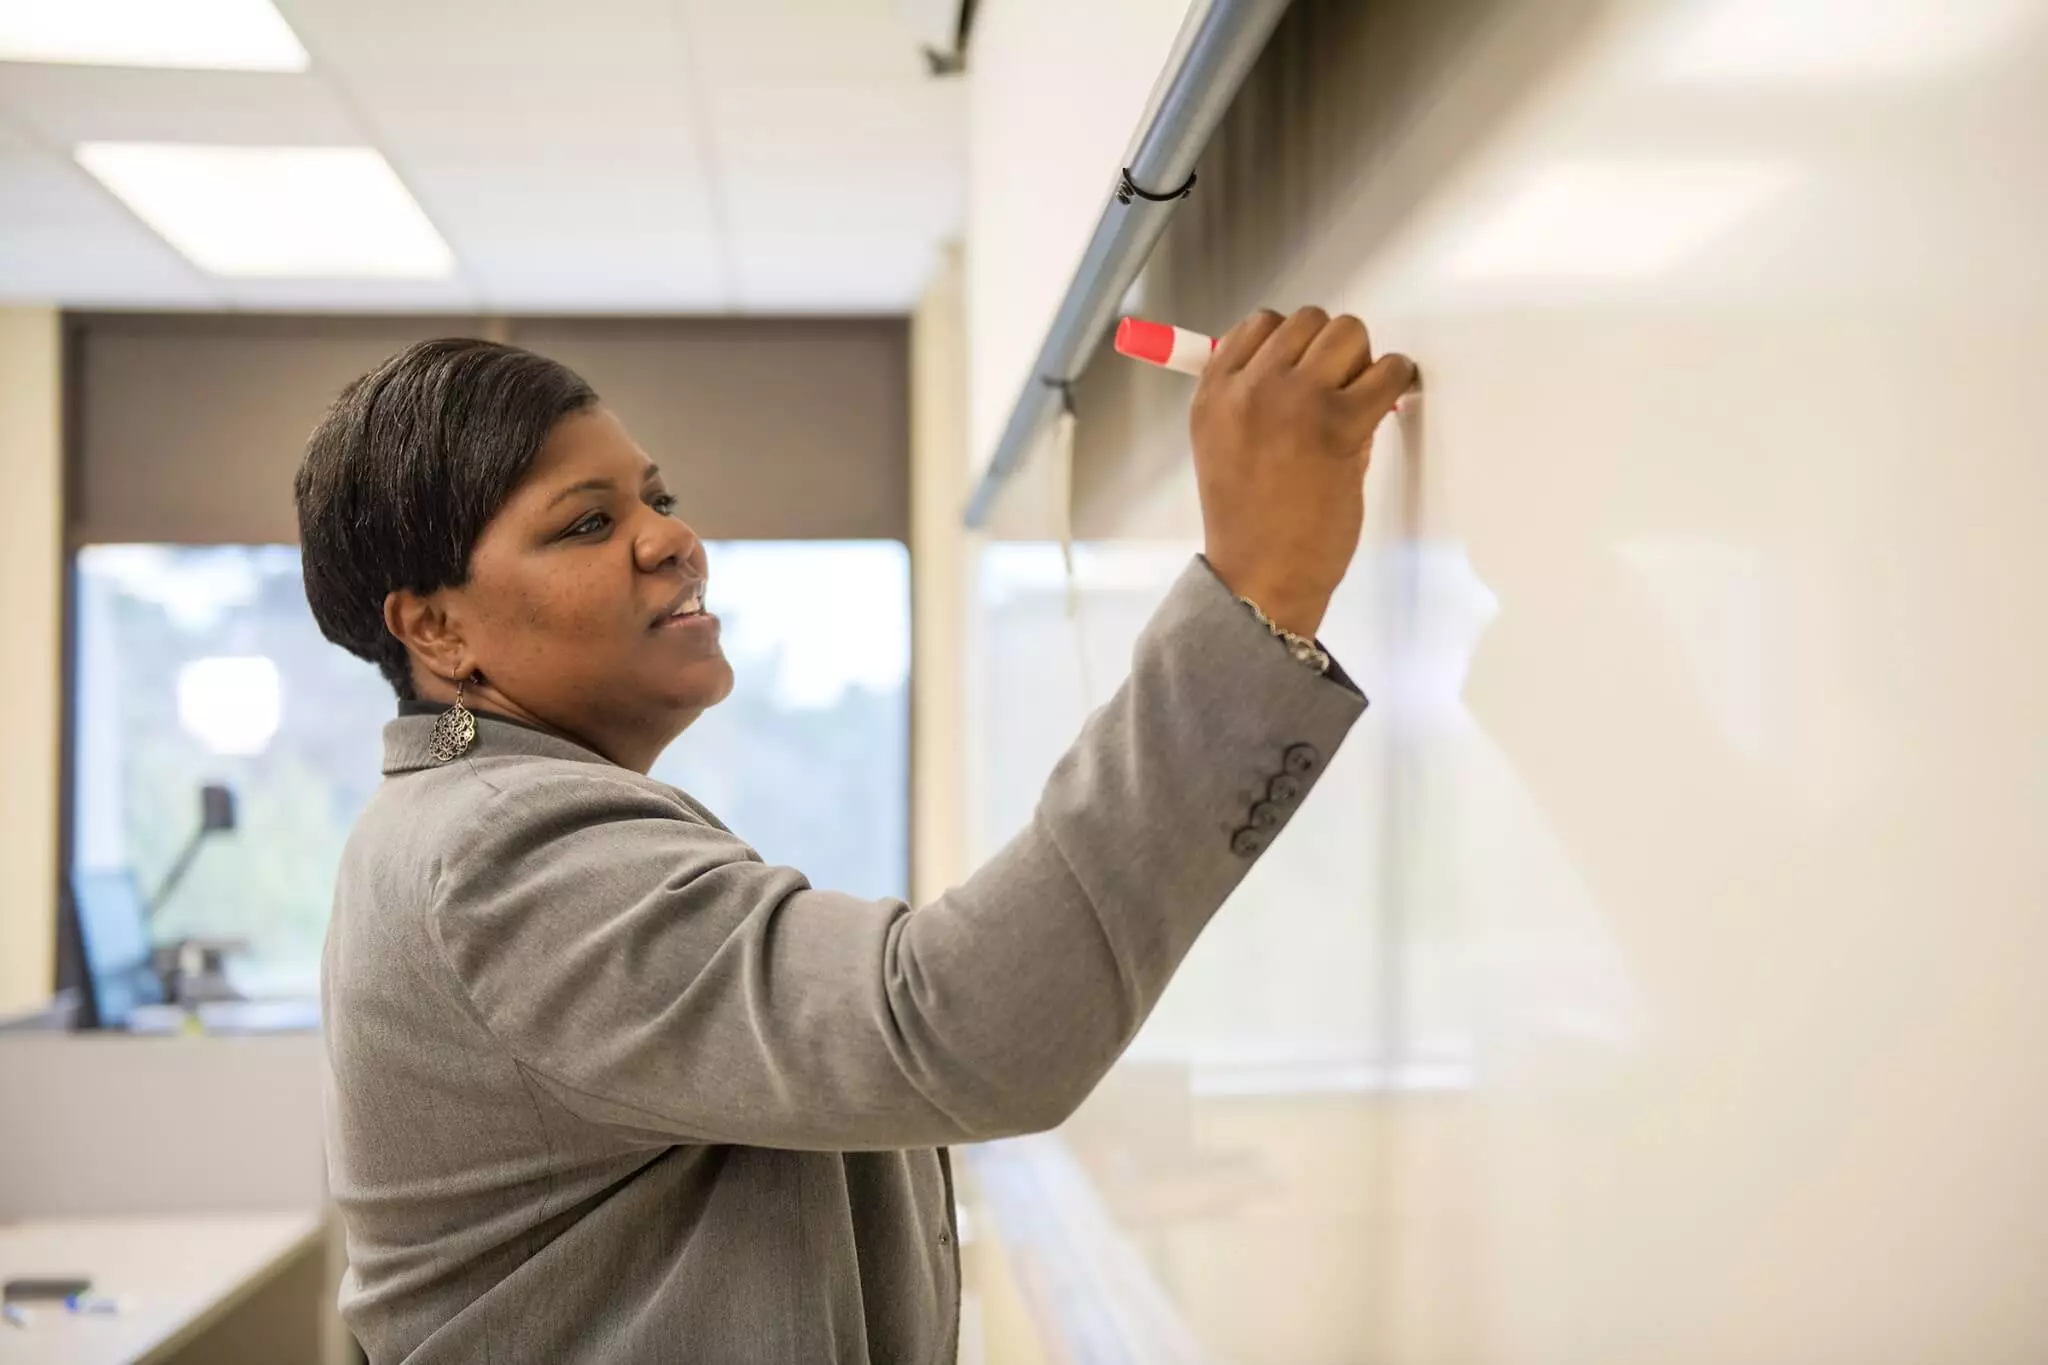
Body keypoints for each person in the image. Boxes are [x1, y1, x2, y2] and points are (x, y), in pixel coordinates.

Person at [297, 306, 1415, 1364]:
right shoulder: (503, 851)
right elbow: (961, 1030)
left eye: (656, 497)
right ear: (436, 628)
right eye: (588, 523)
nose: (674, 538)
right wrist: (1259, 589)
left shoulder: (469, 824)